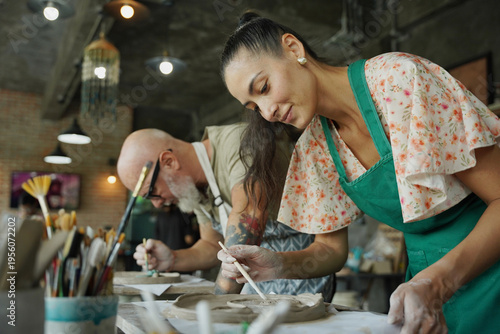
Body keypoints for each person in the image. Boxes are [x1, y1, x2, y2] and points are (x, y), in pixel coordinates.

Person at [217, 12, 500, 334]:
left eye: (264, 87)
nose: (268, 112)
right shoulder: (315, 148)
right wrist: (279, 264)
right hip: (424, 288)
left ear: (293, 48)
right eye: (254, 107)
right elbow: (329, 250)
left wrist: (439, 281)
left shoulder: (399, 80)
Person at [116, 124, 335, 299]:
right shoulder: (194, 187)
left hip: (302, 276)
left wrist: (217, 306)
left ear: (169, 161)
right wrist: (172, 259)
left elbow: (246, 222)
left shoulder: (239, 143)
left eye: (152, 192)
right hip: (252, 287)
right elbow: (212, 245)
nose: (156, 204)